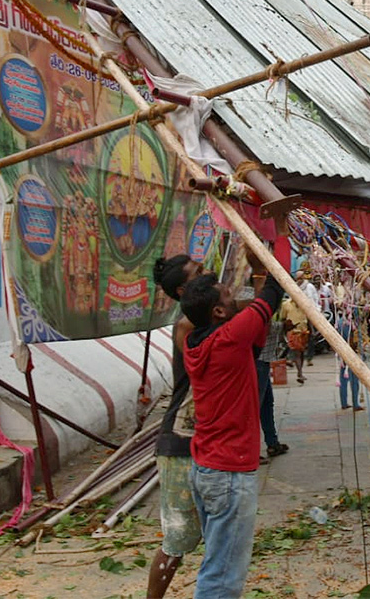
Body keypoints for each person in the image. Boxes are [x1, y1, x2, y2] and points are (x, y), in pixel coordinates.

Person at [180, 255, 284, 598]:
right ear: (219, 313)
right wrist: (278, 237)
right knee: (222, 576)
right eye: (227, 295)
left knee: (217, 562)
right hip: (228, 474)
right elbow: (274, 290)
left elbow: (259, 326)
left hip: (208, 468)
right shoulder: (228, 339)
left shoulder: (197, 342)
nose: (234, 298)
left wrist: (258, 270)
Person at [147, 255, 201, 599]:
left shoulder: (201, 319)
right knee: (177, 539)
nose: (208, 272)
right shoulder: (188, 325)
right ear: (184, 289)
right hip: (182, 440)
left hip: (203, 440)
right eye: (199, 273)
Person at [255, 308, 289, 460]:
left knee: (267, 404)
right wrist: (282, 326)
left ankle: (272, 443)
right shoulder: (251, 300)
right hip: (258, 361)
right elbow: (264, 327)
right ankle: (251, 451)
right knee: (255, 407)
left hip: (264, 360)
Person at [280, 289, 310, 384]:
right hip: (293, 332)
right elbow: (283, 318)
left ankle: (299, 370)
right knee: (297, 352)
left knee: (301, 353)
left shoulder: (304, 304)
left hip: (304, 331)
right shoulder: (286, 304)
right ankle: (300, 373)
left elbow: (308, 317)